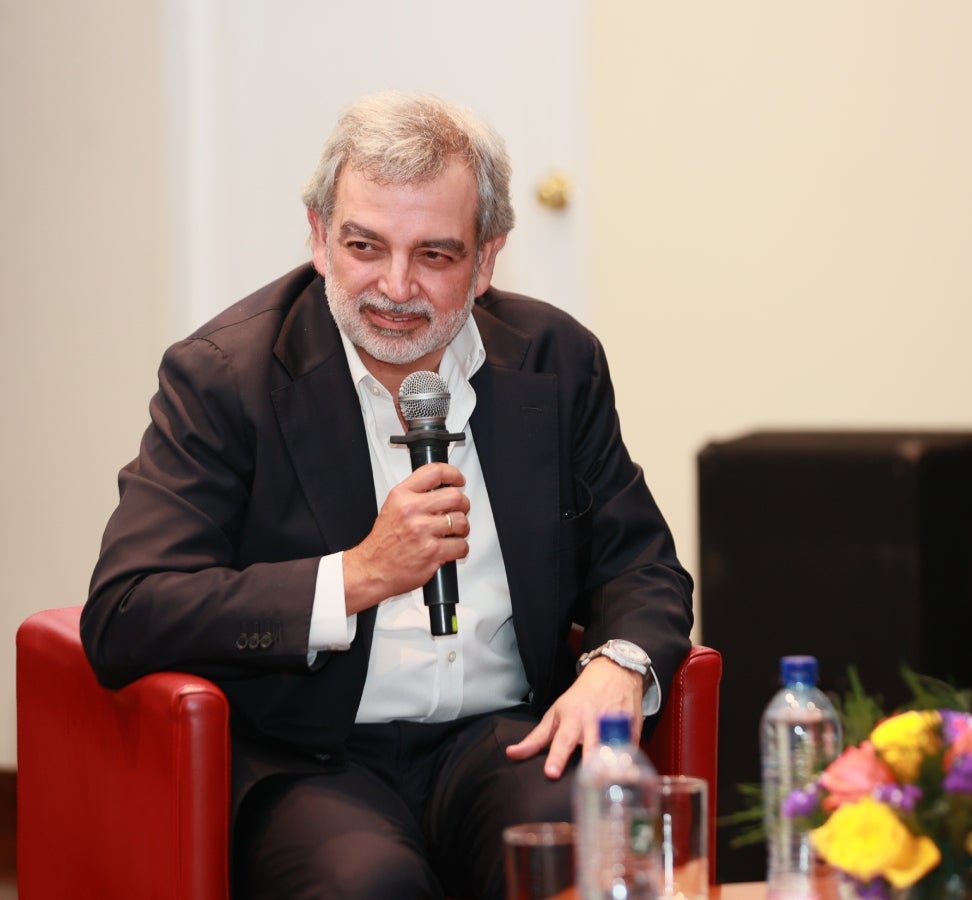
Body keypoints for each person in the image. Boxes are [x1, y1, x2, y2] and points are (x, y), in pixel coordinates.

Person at [81, 90, 693, 900]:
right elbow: (128, 610)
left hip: (503, 739)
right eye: (364, 245)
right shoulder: (225, 378)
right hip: (312, 757)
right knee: (369, 885)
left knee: (591, 850)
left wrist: (619, 664)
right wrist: (358, 575)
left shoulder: (555, 360)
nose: (394, 288)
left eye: (434, 256)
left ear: (487, 260)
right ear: (319, 238)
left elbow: (641, 562)